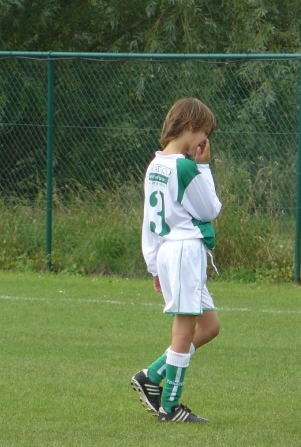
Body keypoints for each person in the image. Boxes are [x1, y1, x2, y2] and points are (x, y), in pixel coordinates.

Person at [131, 98, 222, 423]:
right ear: (188, 127)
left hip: (171, 253)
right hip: (184, 252)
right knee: (183, 333)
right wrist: (203, 166)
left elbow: (150, 222)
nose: (204, 142)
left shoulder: (155, 165)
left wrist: (154, 265)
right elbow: (210, 209)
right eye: (204, 133)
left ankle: (151, 376)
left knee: (210, 327)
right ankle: (170, 407)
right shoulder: (185, 167)